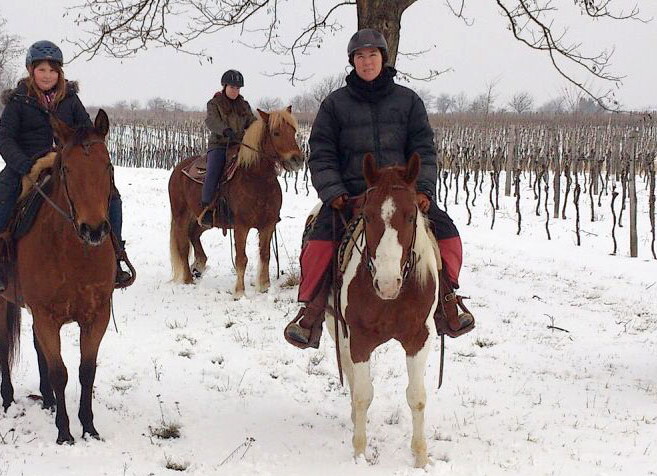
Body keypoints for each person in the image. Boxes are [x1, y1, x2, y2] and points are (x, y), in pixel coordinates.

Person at [283, 28, 475, 349]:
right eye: (360, 56)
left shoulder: (408, 101)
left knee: (448, 236)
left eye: (373, 55)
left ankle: (448, 299)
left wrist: (423, 190)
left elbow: (424, 149)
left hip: (403, 196)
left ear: (383, 59)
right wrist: (334, 192)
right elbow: (323, 152)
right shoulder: (334, 104)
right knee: (318, 244)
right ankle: (312, 310)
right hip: (353, 194)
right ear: (352, 62)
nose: (367, 61)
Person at [0, 40, 133, 292]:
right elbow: (5, 138)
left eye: (52, 70)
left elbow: (86, 132)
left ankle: (115, 254)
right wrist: (23, 164)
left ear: (59, 73)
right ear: (31, 70)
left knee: (112, 198)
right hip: (28, 164)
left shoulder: (70, 100)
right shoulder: (18, 101)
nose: (47, 75)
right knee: (1, 197)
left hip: (66, 163)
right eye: (42, 70)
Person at [198, 69, 257, 228]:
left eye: (238, 88)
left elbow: (252, 121)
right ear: (225, 86)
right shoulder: (214, 103)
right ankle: (208, 207)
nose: (235, 91)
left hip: (241, 145)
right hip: (220, 144)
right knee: (213, 171)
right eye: (232, 87)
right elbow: (211, 121)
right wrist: (225, 130)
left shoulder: (244, 105)